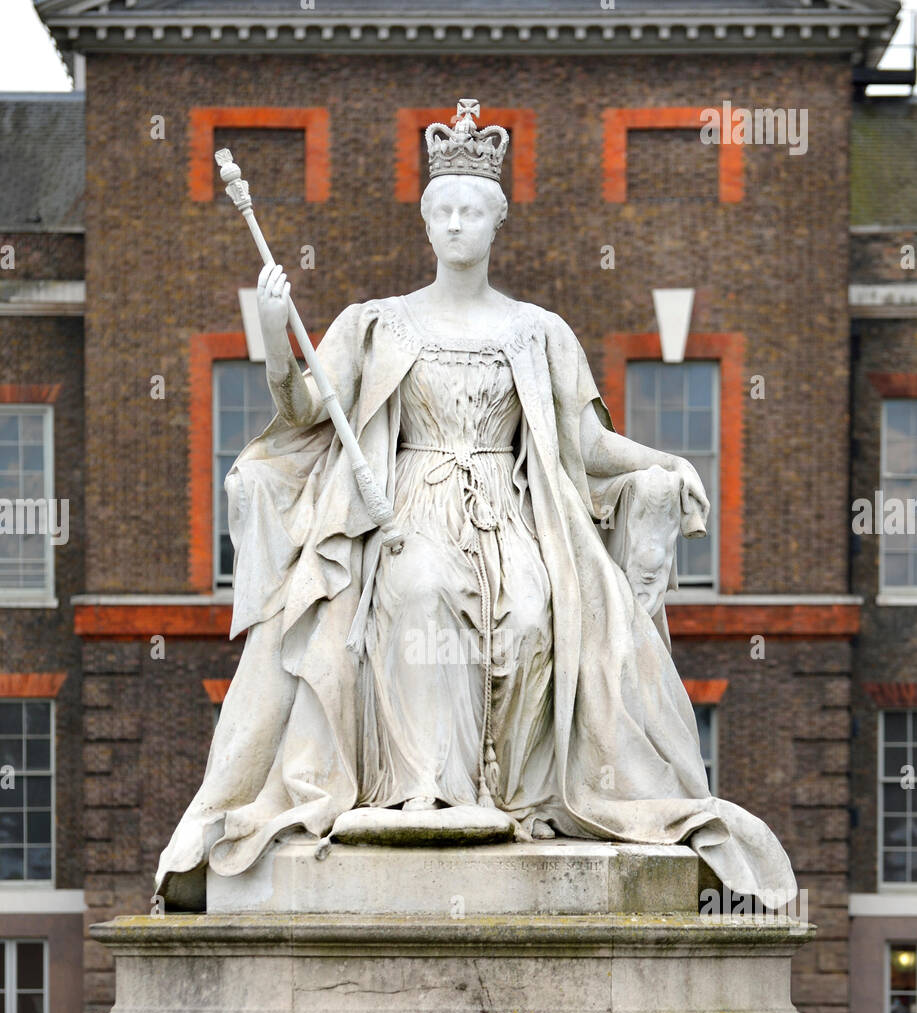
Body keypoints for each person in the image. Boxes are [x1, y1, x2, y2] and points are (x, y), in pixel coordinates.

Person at [156, 100, 796, 911]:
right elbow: (308, 412)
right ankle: (425, 792)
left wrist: (662, 463)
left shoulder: (538, 332)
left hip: (512, 511)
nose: (457, 224)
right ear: (426, 226)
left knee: (533, 615)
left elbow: (584, 447)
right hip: (408, 507)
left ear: (496, 224)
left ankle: (514, 801)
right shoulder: (378, 323)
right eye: (444, 211)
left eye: (472, 211)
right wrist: (281, 334)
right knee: (422, 595)